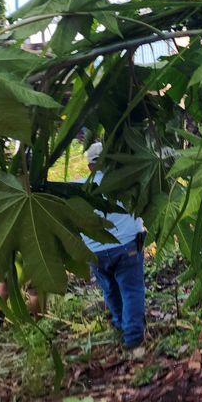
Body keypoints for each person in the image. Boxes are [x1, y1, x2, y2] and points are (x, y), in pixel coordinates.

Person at [81, 142, 147, 349]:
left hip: (95, 251)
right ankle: (133, 338)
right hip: (127, 246)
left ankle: (121, 327)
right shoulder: (127, 182)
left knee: (110, 290)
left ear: (90, 167)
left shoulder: (80, 188)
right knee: (132, 291)